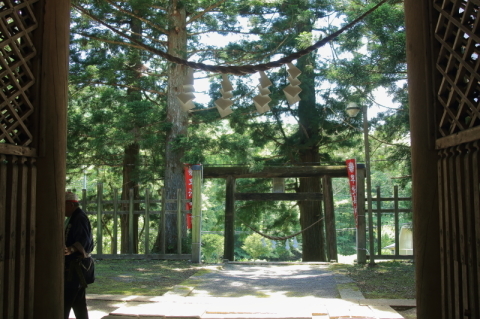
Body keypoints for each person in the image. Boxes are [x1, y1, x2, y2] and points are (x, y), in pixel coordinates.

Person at [64, 191, 95, 319]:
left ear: (71, 204)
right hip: (73, 268)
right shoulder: (73, 217)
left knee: (64, 302)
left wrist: (71, 249)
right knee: (78, 303)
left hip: (74, 268)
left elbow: (84, 241)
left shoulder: (79, 217)